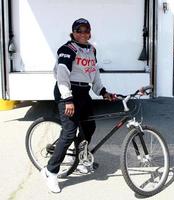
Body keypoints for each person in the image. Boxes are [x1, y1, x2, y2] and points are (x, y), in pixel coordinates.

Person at [41, 18, 114, 193]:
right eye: (79, 31)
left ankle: (82, 159)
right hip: (67, 91)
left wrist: (102, 91)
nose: (83, 34)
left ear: (90, 32)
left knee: (89, 126)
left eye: (86, 30)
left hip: (83, 92)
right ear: (73, 33)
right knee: (69, 132)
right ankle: (50, 171)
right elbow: (62, 75)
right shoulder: (67, 50)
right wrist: (67, 99)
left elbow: (93, 73)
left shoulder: (91, 50)